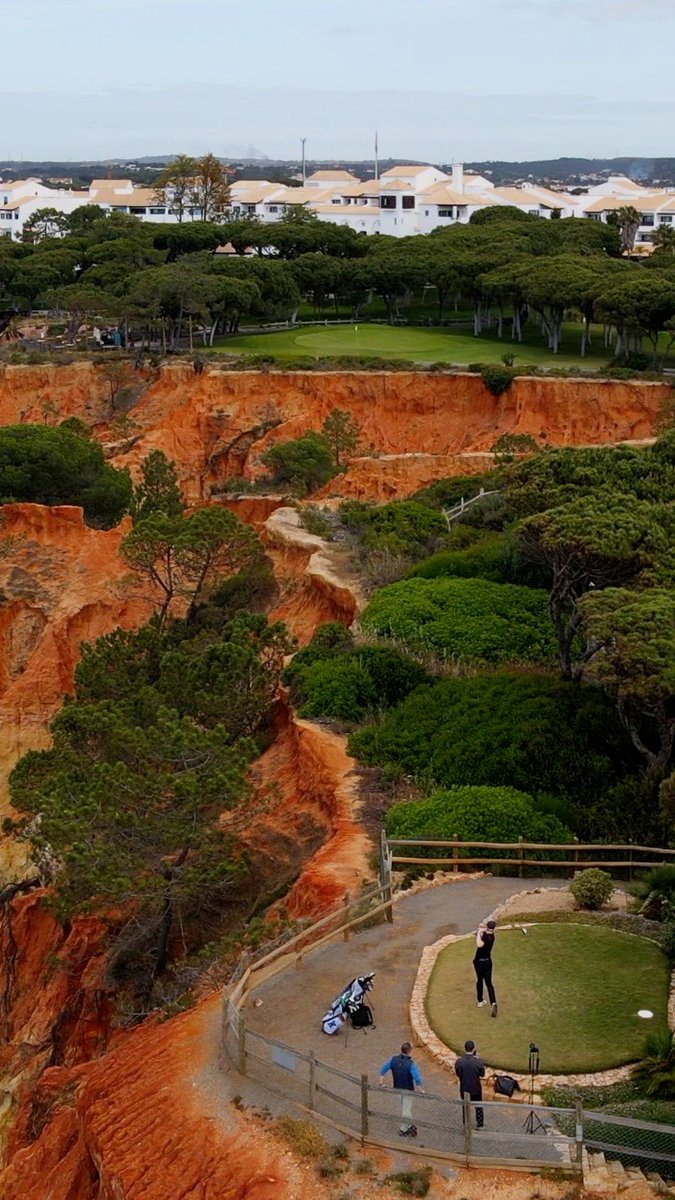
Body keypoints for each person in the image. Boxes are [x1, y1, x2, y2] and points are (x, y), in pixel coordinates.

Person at [379, 1041, 424, 1137]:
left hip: (397, 1088)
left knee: (404, 1109)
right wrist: (420, 1089)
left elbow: (383, 1069)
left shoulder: (393, 1060)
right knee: (405, 1111)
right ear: (409, 1051)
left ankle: (407, 1127)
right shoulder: (411, 1064)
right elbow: (417, 1078)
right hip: (408, 1089)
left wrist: (381, 1081)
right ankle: (407, 1127)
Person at [455, 1039, 486, 1129]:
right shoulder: (478, 1062)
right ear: (473, 1049)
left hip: (464, 1088)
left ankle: (466, 1124)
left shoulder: (459, 1062)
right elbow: (482, 1074)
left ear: (465, 1049)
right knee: (478, 1106)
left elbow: (458, 1073)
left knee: (465, 1107)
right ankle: (480, 1124)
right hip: (476, 1089)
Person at [473, 918, 498, 1017]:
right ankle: (493, 1002)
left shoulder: (485, 938)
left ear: (488, 926)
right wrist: (480, 929)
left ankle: (480, 1000)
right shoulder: (492, 936)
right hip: (488, 962)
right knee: (489, 984)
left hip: (479, 963)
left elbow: (479, 944)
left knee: (479, 980)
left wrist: (479, 932)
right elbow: (484, 931)